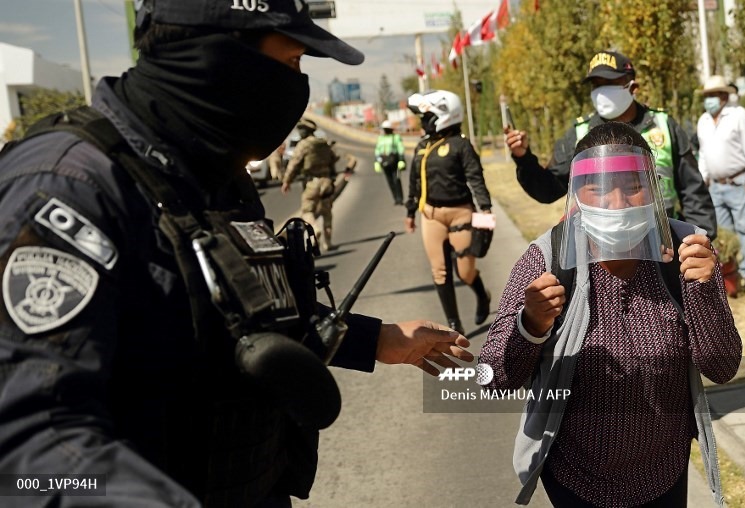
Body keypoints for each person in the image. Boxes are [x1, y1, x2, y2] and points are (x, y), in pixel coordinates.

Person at [0, 1, 474, 506]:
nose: (297, 85)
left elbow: (241, 316)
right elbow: (29, 451)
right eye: (291, 62)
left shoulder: (214, 173)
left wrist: (374, 340)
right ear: (218, 58)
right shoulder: (69, 188)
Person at [480, 121, 741, 507]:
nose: (617, 203)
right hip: (575, 478)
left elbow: (723, 367)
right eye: (599, 188)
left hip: (664, 472)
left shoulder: (687, 251)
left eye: (633, 186)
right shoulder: (547, 259)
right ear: (576, 193)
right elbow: (491, 378)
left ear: (653, 187)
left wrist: (703, 291)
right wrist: (530, 326)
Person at [507, 50, 718, 239]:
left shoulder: (663, 126)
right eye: (596, 85)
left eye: (609, 83)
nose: (601, 92)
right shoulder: (580, 134)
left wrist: (698, 239)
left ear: (632, 86)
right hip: (602, 251)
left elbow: (693, 191)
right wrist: (524, 159)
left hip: (661, 246)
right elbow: (548, 190)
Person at [404, 90, 493, 335]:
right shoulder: (422, 146)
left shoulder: (461, 145)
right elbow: (414, 181)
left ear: (444, 115)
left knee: (464, 272)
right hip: (431, 216)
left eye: (427, 117)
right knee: (439, 271)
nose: (423, 122)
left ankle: (482, 295)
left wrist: (485, 210)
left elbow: (476, 179)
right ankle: (454, 324)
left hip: (460, 214)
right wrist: (410, 212)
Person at [697, 75, 745, 290]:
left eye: (713, 95)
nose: (709, 100)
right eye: (706, 95)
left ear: (724, 96)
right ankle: (730, 273)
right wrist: (703, 180)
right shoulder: (703, 121)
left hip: (738, 183)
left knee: (744, 229)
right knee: (724, 234)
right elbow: (703, 154)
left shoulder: (738, 115)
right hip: (715, 186)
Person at [282, 117, 338, 252]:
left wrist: (286, 181)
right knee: (327, 213)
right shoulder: (323, 143)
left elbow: (294, 164)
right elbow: (333, 159)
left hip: (312, 182)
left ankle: (314, 229)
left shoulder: (303, 145)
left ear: (306, 131)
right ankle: (328, 243)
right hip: (326, 181)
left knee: (307, 211)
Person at [374, 120, 407, 205]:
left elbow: (400, 148)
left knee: (396, 180)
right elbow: (378, 150)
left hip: (395, 162)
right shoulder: (380, 138)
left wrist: (401, 160)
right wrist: (377, 161)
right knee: (390, 181)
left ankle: (400, 198)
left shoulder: (396, 137)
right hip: (385, 162)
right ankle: (395, 198)